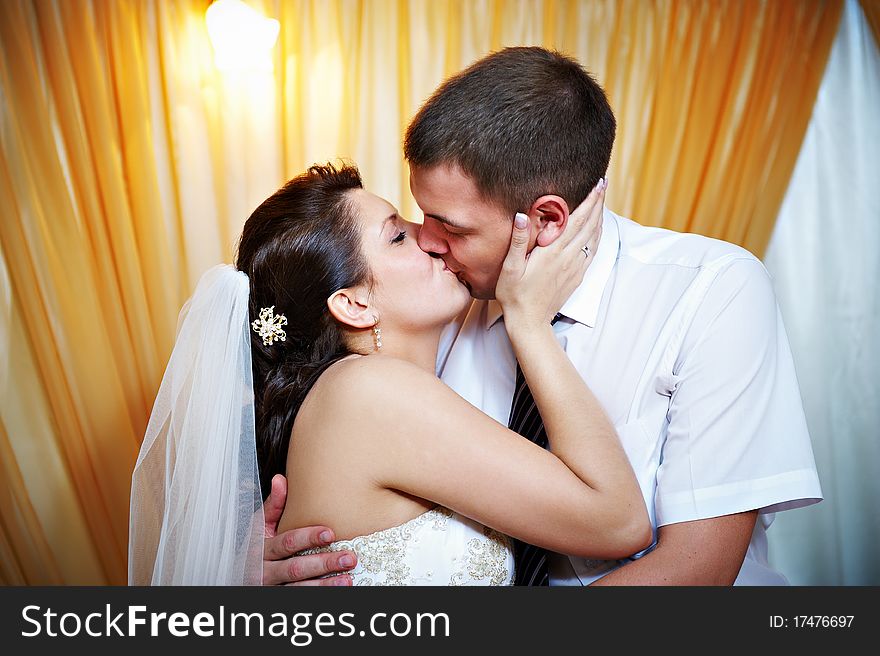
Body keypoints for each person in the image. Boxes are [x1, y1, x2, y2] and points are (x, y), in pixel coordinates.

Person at [268, 47, 823, 586]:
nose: (430, 243)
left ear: (546, 220)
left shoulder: (710, 289)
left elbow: (698, 569)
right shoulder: (434, 312)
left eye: (451, 227)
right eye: (412, 222)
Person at [129, 162, 651, 585]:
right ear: (354, 305)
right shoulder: (370, 392)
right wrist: (530, 323)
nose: (429, 237)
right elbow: (618, 521)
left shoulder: (362, 394)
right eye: (398, 236)